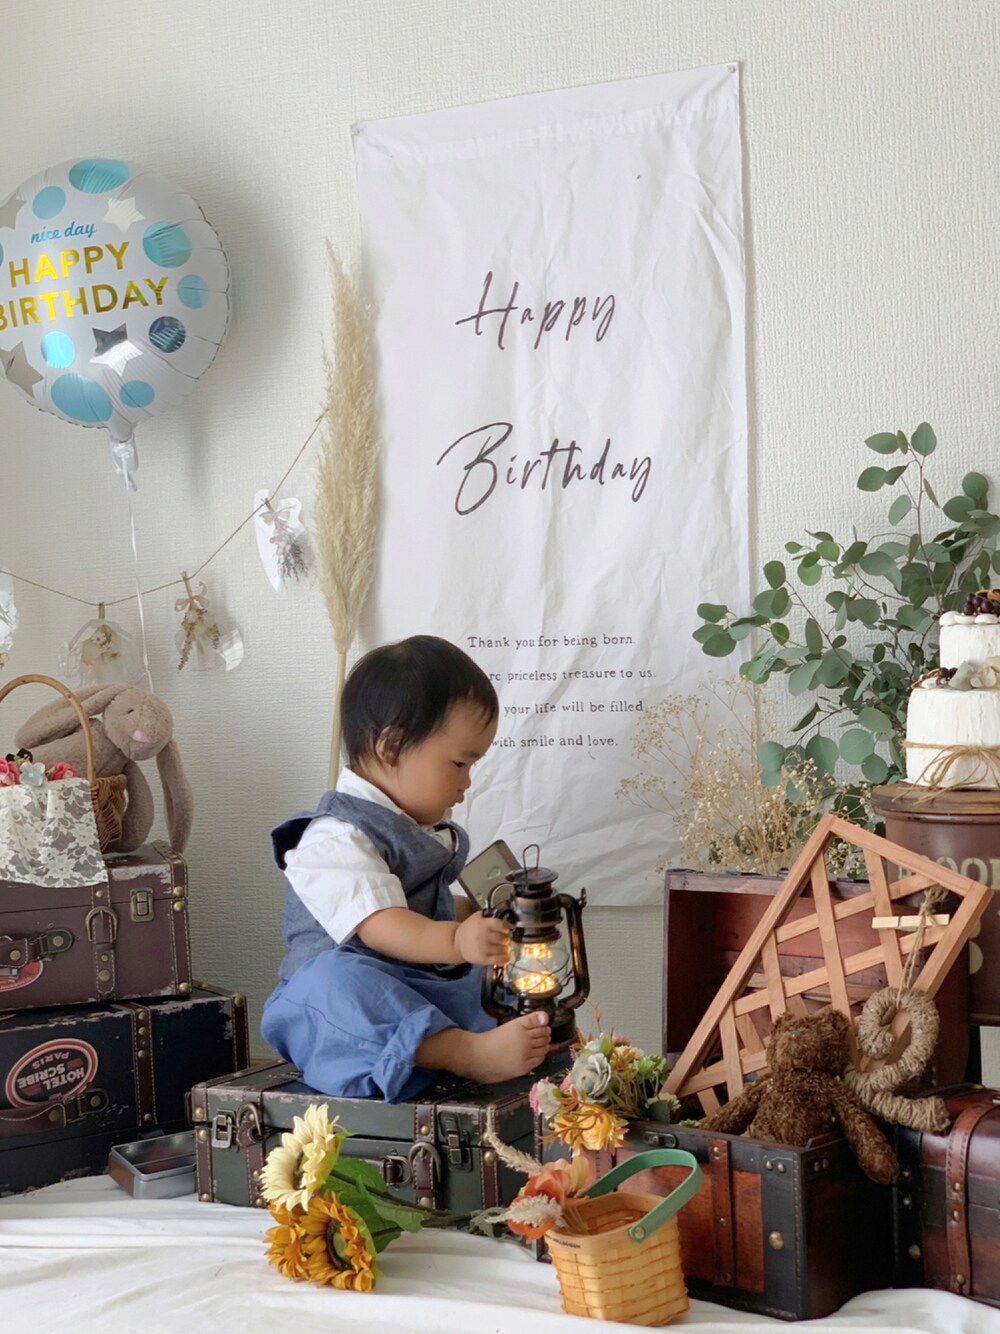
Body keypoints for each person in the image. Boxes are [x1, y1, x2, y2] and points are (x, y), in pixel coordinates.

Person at [261, 634, 551, 1102]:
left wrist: (479, 919)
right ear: (392, 747)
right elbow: (385, 925)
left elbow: (423, 907)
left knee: (497, 977)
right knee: (332, 983)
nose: (467, 782)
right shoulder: (336, 837)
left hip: (411, 982)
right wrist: (457, 941)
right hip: (343, 1008)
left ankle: (530, 1040)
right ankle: (463, 1052)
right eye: (460, 763)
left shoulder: (416, 828)